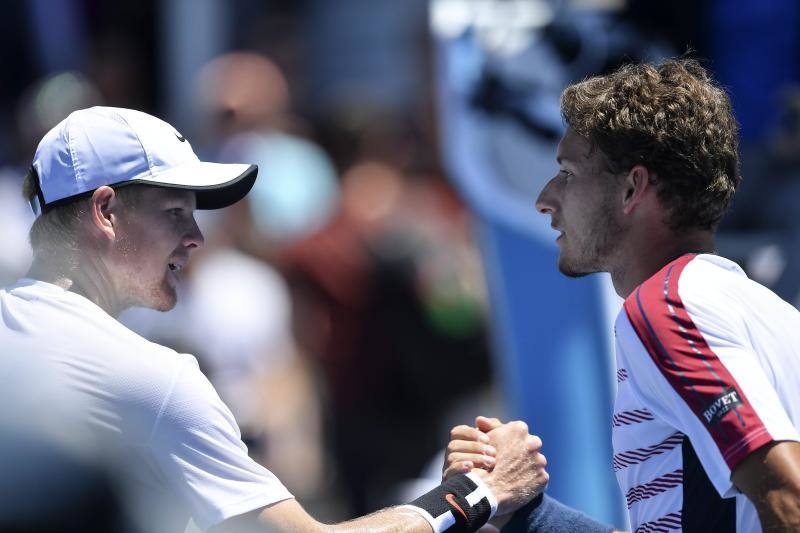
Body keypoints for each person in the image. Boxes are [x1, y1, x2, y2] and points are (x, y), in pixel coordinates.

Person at [0, 106, 548, 533]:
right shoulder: (153, 380)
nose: (196, 237)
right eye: (174, 213)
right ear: (104, 212)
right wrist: (478, 493)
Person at [445, 59, 800, 532]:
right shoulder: (756, 308)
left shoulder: (666, 307)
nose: (546, 198)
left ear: (633, 187)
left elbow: (788, 496)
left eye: (568, 173)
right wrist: (523, 511)